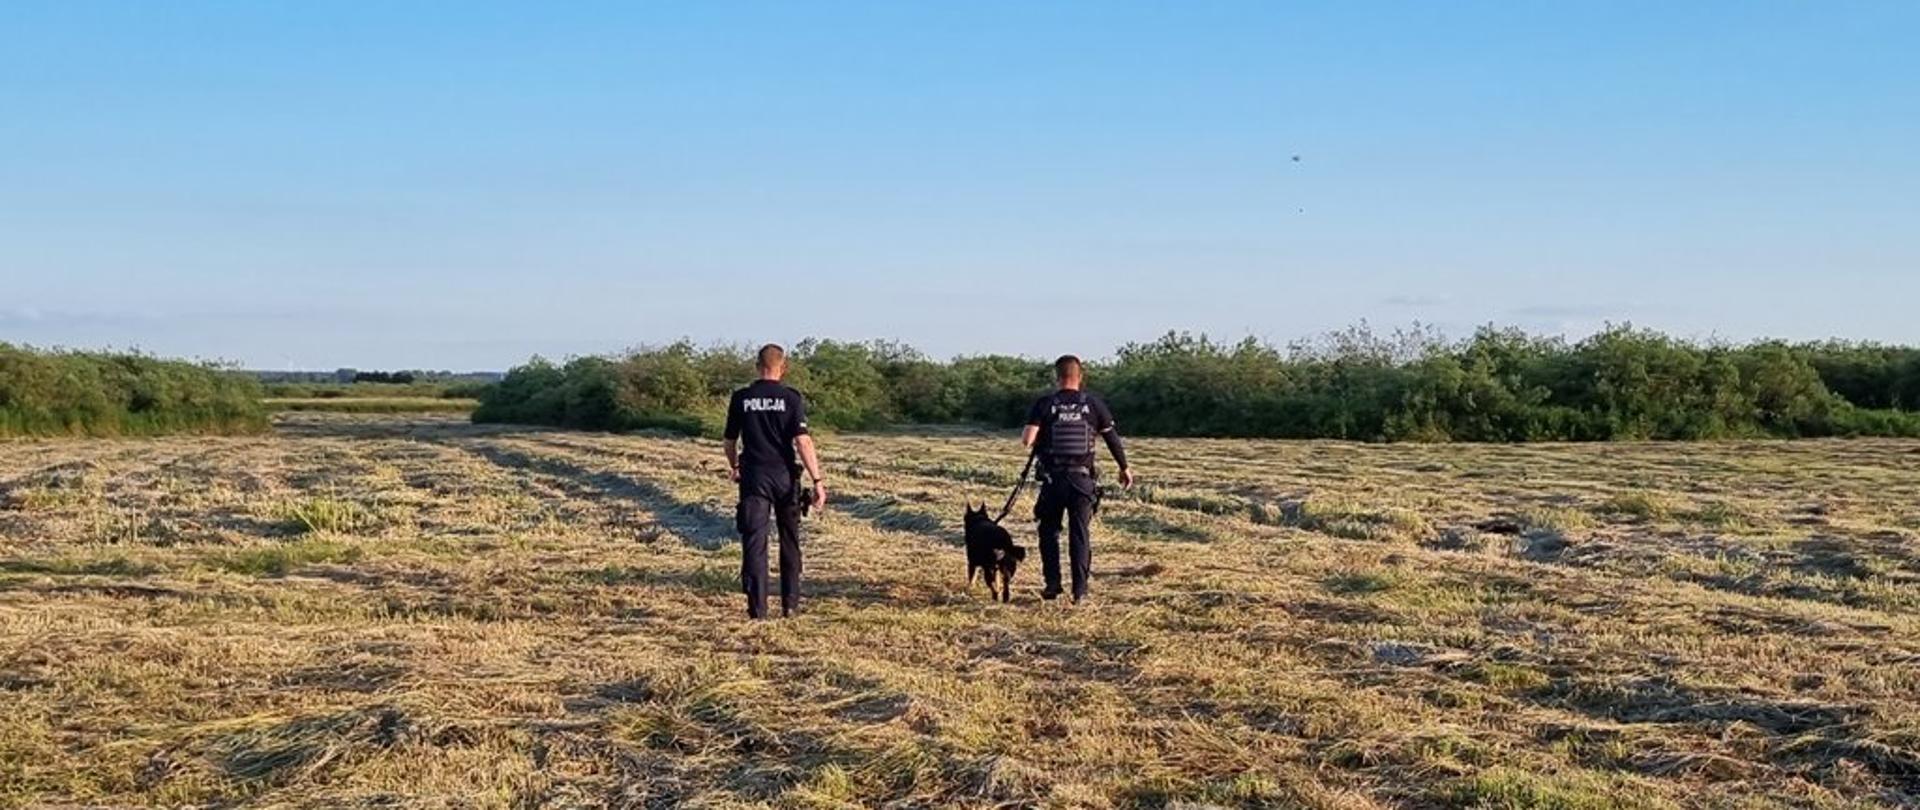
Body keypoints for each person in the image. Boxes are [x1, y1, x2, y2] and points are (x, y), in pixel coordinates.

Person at [724, 344, 828, 619]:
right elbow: (803, 441)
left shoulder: (741, 398)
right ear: (783, 368)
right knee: (789, 540)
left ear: (757, 366)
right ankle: (790, 604)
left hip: (754, 477)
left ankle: (757, 610)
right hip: (785, 477)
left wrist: (735, 466)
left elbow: (729, 440)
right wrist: (817, 480)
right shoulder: (791, 398)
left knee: (755, 541)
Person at [1022, 355, 1134, 603]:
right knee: (1080, 534)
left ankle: (1052, 584)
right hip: (1082, 481)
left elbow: (1027, 440)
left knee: (1049, 531)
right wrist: (1124, 468)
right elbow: (1112, 438)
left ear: (1057, 377)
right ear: (1080, 376)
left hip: (1053, 481)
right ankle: (1080, 592)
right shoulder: (1093, 404)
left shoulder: (1045, 404)